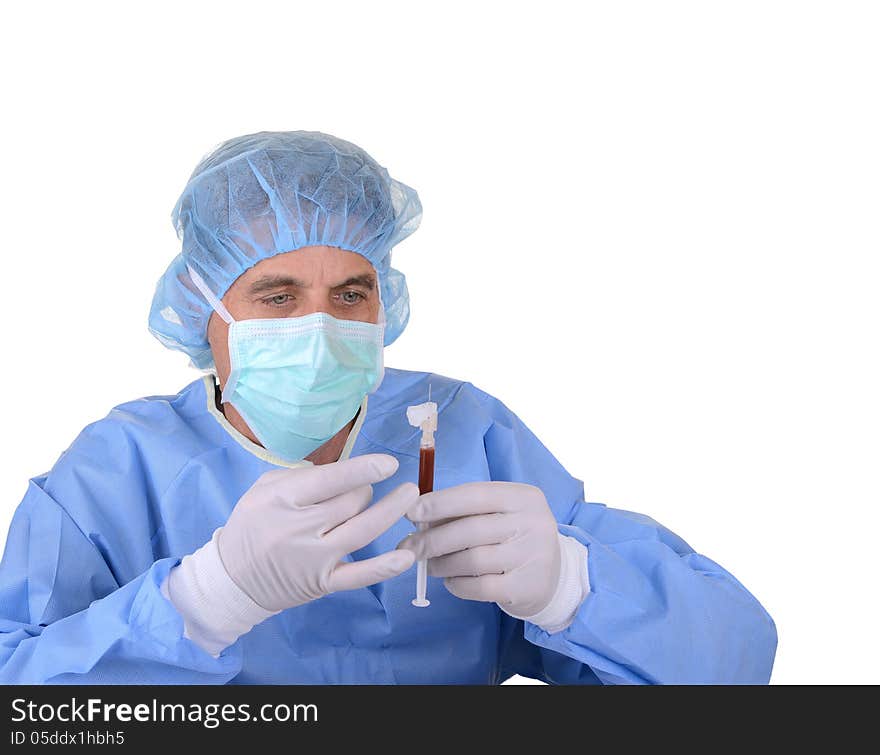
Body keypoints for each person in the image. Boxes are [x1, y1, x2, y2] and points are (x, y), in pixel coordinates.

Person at [0, 131, 777, 684]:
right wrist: (206, 599)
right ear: (202, 308)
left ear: (387, 306)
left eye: (350, 294)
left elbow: (735, 663)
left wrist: (574, 587)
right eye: (277, 296)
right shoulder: (116, 472)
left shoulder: (468, 432)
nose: (320, 325)